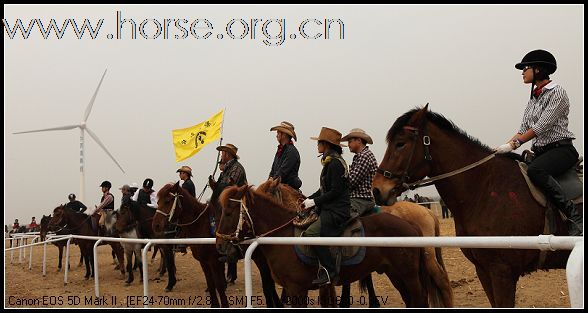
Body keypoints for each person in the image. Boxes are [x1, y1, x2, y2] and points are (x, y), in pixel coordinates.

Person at [495, 49, 582, 236]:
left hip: (561, 150)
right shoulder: (533, 98)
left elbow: (541, 126)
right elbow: (522, 129)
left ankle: (575, 216)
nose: (522, 72)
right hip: (541, 152)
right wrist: (500, 149)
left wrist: (513, 145)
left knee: (536, 170)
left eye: (525, 68)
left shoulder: (557, 92)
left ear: (539, 70)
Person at [302, 127, 351, 286]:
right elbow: (324, 189)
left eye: (319, 143)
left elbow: (335, 192)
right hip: (331, 207)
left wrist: (315, 202)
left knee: (310, 234)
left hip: (336, 211)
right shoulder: (331, 162)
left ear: (326, 145)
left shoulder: (335, 164)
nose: (317, 145)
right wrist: (308, 199)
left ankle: (330, 271)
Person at [208, 143, 247, 284]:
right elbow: (220, 186)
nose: (221, 154)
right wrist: (213, 184)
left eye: (223, 152)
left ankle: (234, 260)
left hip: (236, 204)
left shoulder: (237, 168)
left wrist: (217, 186)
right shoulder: (226, 169)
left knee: (229, 229)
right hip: (225, 203)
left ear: (228, 154)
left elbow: (229, 187)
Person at [341, 128, 378, 218]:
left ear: (359, 141)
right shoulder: (361, 156)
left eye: (350, 141)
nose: (348, 144)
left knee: (340, 216)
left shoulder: (364, 156)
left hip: (362, 199)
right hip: (358, 198)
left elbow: (351, 182)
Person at [269, 121, 303, 190]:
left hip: (289, 188)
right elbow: (273, 170)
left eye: (278, 133)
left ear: (284, 134)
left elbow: (283, 172)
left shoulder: (292, 151)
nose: (276, 135)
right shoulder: (280, 150)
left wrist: (272, 181)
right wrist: (269, 182)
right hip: (278, 186)